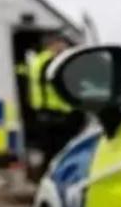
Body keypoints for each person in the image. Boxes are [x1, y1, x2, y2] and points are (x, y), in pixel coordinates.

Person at [27, 33, 86, 175]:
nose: (64, 47)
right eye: (62, 44)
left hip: (44, 114)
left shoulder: (38, 60)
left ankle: (46, 176)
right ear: (53, 45)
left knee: (49, 152)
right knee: (61, 151)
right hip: (56, 114)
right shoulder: (51, 61)